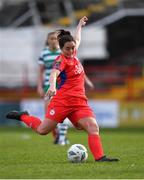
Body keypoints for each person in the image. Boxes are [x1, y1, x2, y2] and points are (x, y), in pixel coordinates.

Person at [6, 16, 119, 162]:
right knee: (42, 130)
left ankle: (100, 157)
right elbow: (54, 74)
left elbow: (77, 39)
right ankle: (23, 116)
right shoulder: (61, 60)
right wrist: (52, 86)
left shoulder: (73, 53)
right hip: (62, 102)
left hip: (79, 103)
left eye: (73, 48)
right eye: (68, 48)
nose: (71, 50)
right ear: (61, 48)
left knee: (93, 126)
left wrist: (79, 25)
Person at [37, 31, 69, 145]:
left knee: (61, 111)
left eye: (56, 38)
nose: (54, 40)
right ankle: (57, 137)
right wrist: (39, 87)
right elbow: (40, 71)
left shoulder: (63, 52)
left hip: (61, 85)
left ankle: (62, 137)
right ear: (48, 40)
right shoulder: (44, 53)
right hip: (47, 85)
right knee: (49, 113)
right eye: (51, 38)